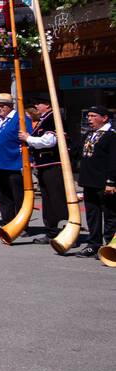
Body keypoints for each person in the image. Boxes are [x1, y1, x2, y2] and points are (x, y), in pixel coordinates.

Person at [22, 96, 64, 243]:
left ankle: (57, 230)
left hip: (52, 164)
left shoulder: (52, 118)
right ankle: (51, 229)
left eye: (38, 103)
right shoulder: (44, 119)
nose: (36, 106)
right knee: (47, 198)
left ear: (47, 104)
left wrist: (28, 139)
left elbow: (49, 141)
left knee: (54, 199)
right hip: (43, 165)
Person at [77, 105, 116, 259]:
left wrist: (112, 181)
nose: (89, 119)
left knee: (109, 215)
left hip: (104, 182)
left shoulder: (111, 136)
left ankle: (110, 245)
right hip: (89, 181)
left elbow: (114, 160)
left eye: (93, 116)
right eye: (89, 116)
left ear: (104, 118)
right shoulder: (90, 134)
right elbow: (79, 152)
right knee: (92, 215)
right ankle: (93, 244)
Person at [0, 93, 32, 225]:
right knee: (3, 197)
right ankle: (7, 223)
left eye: (2, 106)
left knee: (18, 197)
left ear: (10, 106)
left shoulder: (20, 119)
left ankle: (21, 225)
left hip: (15, 164)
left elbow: (28, 139)